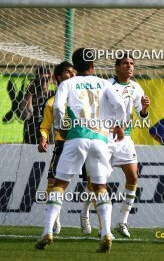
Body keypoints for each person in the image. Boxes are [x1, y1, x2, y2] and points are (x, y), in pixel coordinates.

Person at [35, 48, 126, 253]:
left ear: (74, 67)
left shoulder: (67, 83)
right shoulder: (103, 83)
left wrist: (61, 127)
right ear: (93, 64)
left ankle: (48, 231)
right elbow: (119, 104)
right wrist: (119, 125)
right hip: (100, 139)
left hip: (76, 137)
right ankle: (106, 234)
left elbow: (58, 107)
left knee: (59, 185)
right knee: (100, 187)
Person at [107, 54, 150, 238]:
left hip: (125, 139)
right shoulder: (107, 85)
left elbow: (141, 116)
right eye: (125, 63)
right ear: (117, 68)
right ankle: (85, 215)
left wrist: (144, 109)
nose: (130, 66)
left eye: (132, 63)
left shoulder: (135, 87)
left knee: (133, 177)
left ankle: (122, 222)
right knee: (97, 180)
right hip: (106, 138)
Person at [37, 61, 76, 235]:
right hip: (62, 144)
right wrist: (43, 139)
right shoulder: (52, 102)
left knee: (95, 183)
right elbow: (45, 126)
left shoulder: (83, 95)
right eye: (68, 72)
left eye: (74, 71)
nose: (73, 74)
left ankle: (89, 218)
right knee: (52, 182)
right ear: (58, 77)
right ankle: (55, 220)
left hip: (85, 142)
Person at [20, 65, 53, 144]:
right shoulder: (30, 96)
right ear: (36, 79)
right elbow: (25, 116)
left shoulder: (53, 94)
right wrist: (29, 93)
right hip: (31, 138)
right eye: (42, 79)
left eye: (47, 79)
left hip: (50, 138)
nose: (44, 82)